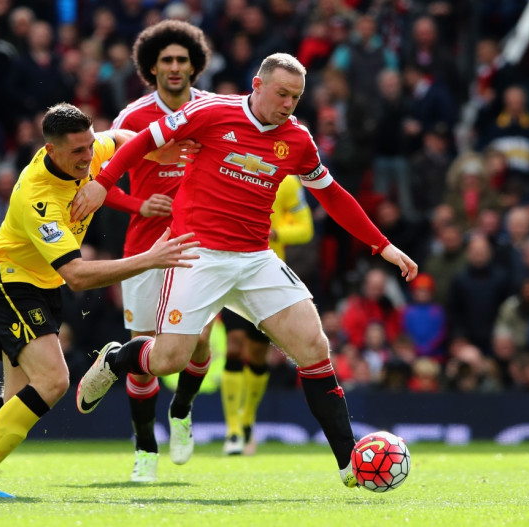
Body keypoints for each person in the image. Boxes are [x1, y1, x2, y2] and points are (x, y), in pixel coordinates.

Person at [72, 53, 418, 488]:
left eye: (296, 96)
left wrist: (381, 245)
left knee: (314, 344)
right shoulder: (210, 111)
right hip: (197, 253)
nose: (288, 103)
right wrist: (102, 184)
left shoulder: (297, 139)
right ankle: (116, 358)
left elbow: (333, 195)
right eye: (281, 93)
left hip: (255, 258)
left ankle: (349, 463)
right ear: (257, 84)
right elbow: (142, 141)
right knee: (168, 359)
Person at [0, 103, 201, 499]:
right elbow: (77, 276)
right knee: (54, 380)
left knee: (14, 401)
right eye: (77, 151)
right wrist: (149, 260)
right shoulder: (37, 197)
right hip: (8, 281)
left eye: (88, 145)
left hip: (39, 284)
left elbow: (119, 141)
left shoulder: (90, 148)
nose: (87, 156)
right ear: (51, 150)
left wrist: (152, 151)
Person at [102, 19, 213, 483]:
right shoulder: (130, 118)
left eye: (181, 60)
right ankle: (145, 447)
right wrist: (138, 202)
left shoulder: (214, 111)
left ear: (194, 65)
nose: (174, 67)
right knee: (144, 350)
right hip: (146, 245)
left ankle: (182, 411)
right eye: (165, 60)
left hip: (198, 243)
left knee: (200, 341)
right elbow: (95, 185)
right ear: (151, 66)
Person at [221, 175, 313, 456]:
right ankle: (233, 429)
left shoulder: (288, 182)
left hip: (266, 276)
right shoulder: (234, 169)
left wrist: (277, 234)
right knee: (234, 344)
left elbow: (306, 228)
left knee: (258, 354)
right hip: (231, 269)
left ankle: (248, 417)